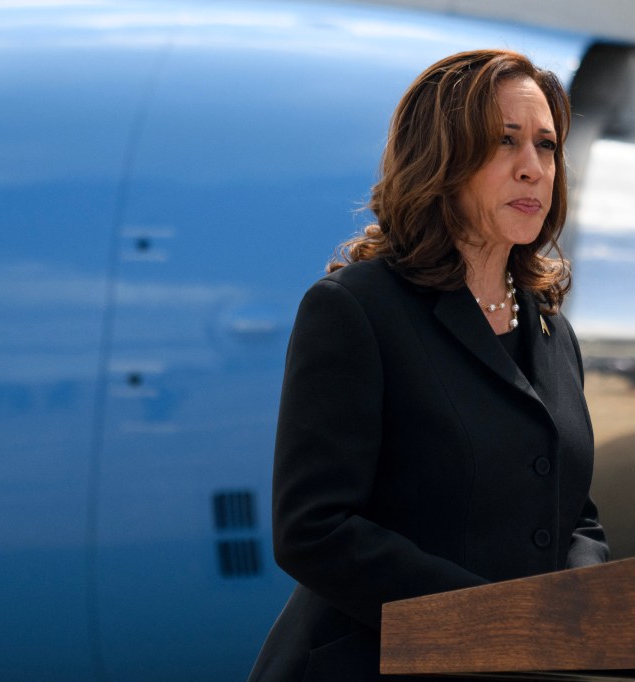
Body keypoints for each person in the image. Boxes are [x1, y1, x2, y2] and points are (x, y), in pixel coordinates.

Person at [248, 49, 608, 682]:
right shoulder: (355, 310)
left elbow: (572, 511)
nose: (533, 169)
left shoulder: (553, 331)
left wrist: (580, 608)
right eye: (504, 141)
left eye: (547, 147)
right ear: (442, 159)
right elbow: (314, 529)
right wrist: (498, 622)